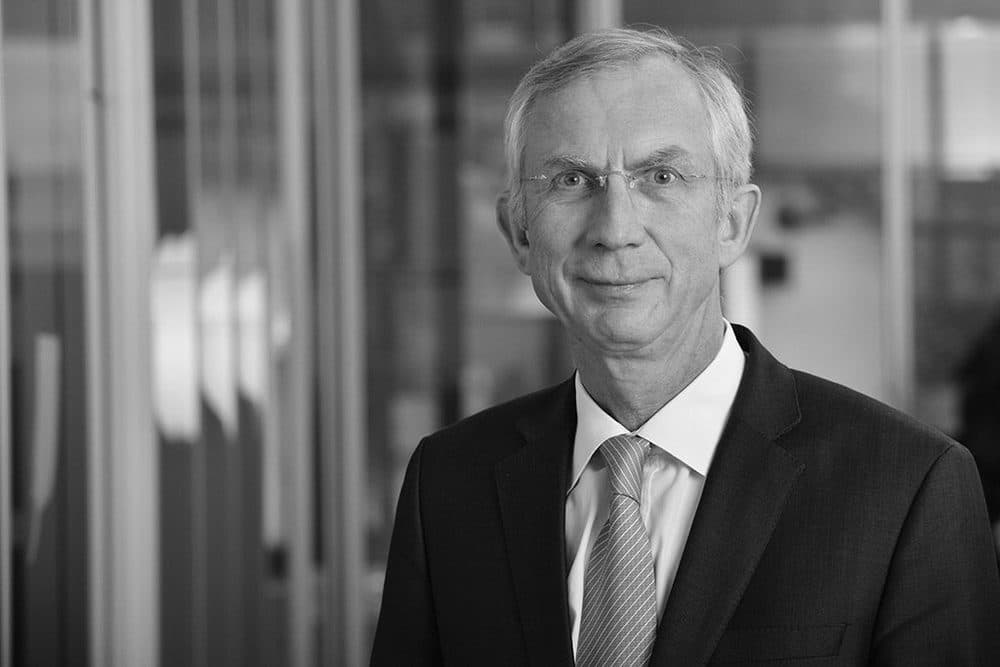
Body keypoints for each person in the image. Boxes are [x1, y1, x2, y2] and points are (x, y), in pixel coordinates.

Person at [371, 27, 1000, 666]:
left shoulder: (907, 487)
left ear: (733, 222)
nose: (616, 229)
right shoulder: (448, 483)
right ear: (520, 233)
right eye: (572, 179)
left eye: (661, 177)